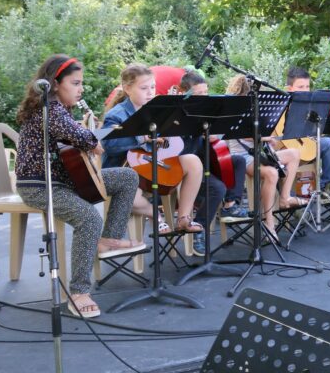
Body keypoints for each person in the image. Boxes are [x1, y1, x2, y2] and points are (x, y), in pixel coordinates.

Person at [15, 54, 145, 318]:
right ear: (54, 83)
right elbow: (83, 139)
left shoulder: (60, 110)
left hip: (64, 180)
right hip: (40, 185)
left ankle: (109, 239)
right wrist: (91, 140)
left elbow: (72, 141)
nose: (81, 88)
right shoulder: (48, 108)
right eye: (75, 83)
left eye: (81, 83)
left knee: (126, 177)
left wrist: (86, 137)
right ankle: (79, 292)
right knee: (88, 218)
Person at [101, 64, 204, 234]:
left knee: (193, 161)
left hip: (154, 165)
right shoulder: (116, 115)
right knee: (130, 197)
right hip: (125, 169)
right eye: (144, 88)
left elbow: (171, 144)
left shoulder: (157, 110)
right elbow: (110, 146)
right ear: (127, 89)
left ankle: (184, 218)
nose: (150, 92)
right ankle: (155, 215)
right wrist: (141, 138)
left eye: (153, 87)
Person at [173, 69, 250, 256]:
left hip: (205, 163)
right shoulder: (177, 116)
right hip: (186, 169)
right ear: (185, 93)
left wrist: (213, 133)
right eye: (199, 94)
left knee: (238, 161)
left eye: (206, 93)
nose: (205, 98)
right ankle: (199, 229)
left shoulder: (206, 113)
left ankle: (230, 205)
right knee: (217, 188)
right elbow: (178, 150)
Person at [225, 74, 306, 243]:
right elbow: (244, 135)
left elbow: (261, 133)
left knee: (294, 154)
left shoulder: (257, 107)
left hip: (259, 154)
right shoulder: (233, 108)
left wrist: (268, 138)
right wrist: (264, 138)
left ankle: (284, 198)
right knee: (271, 174)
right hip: (242, 157)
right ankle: (269, 224)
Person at [284, 66, 330, 191]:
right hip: (288, 147)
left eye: (307, 87)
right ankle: (291, 197)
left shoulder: (313, 104)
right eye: (300, 87)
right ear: (289, 88)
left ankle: (327, 186)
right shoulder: (282, 105)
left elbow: (317, 128)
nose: (305, 91)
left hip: (307, 143)